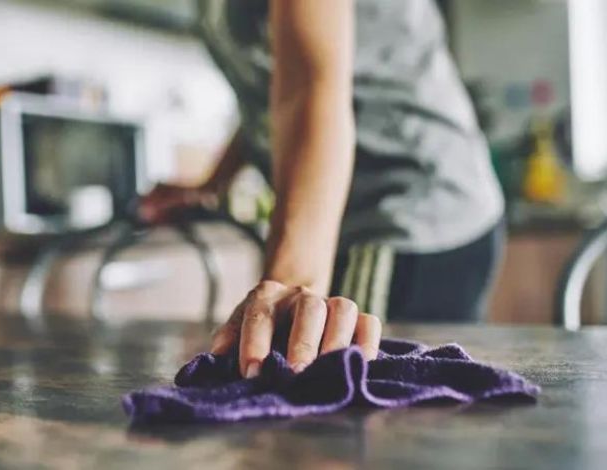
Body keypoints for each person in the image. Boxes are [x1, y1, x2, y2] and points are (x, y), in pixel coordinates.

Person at [139, 0, 504, 379]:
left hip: (412, 203)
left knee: (337, 386)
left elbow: (308, 87)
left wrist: (290, 287)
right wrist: (213, 183)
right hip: (358, 213)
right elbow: (272, 97)